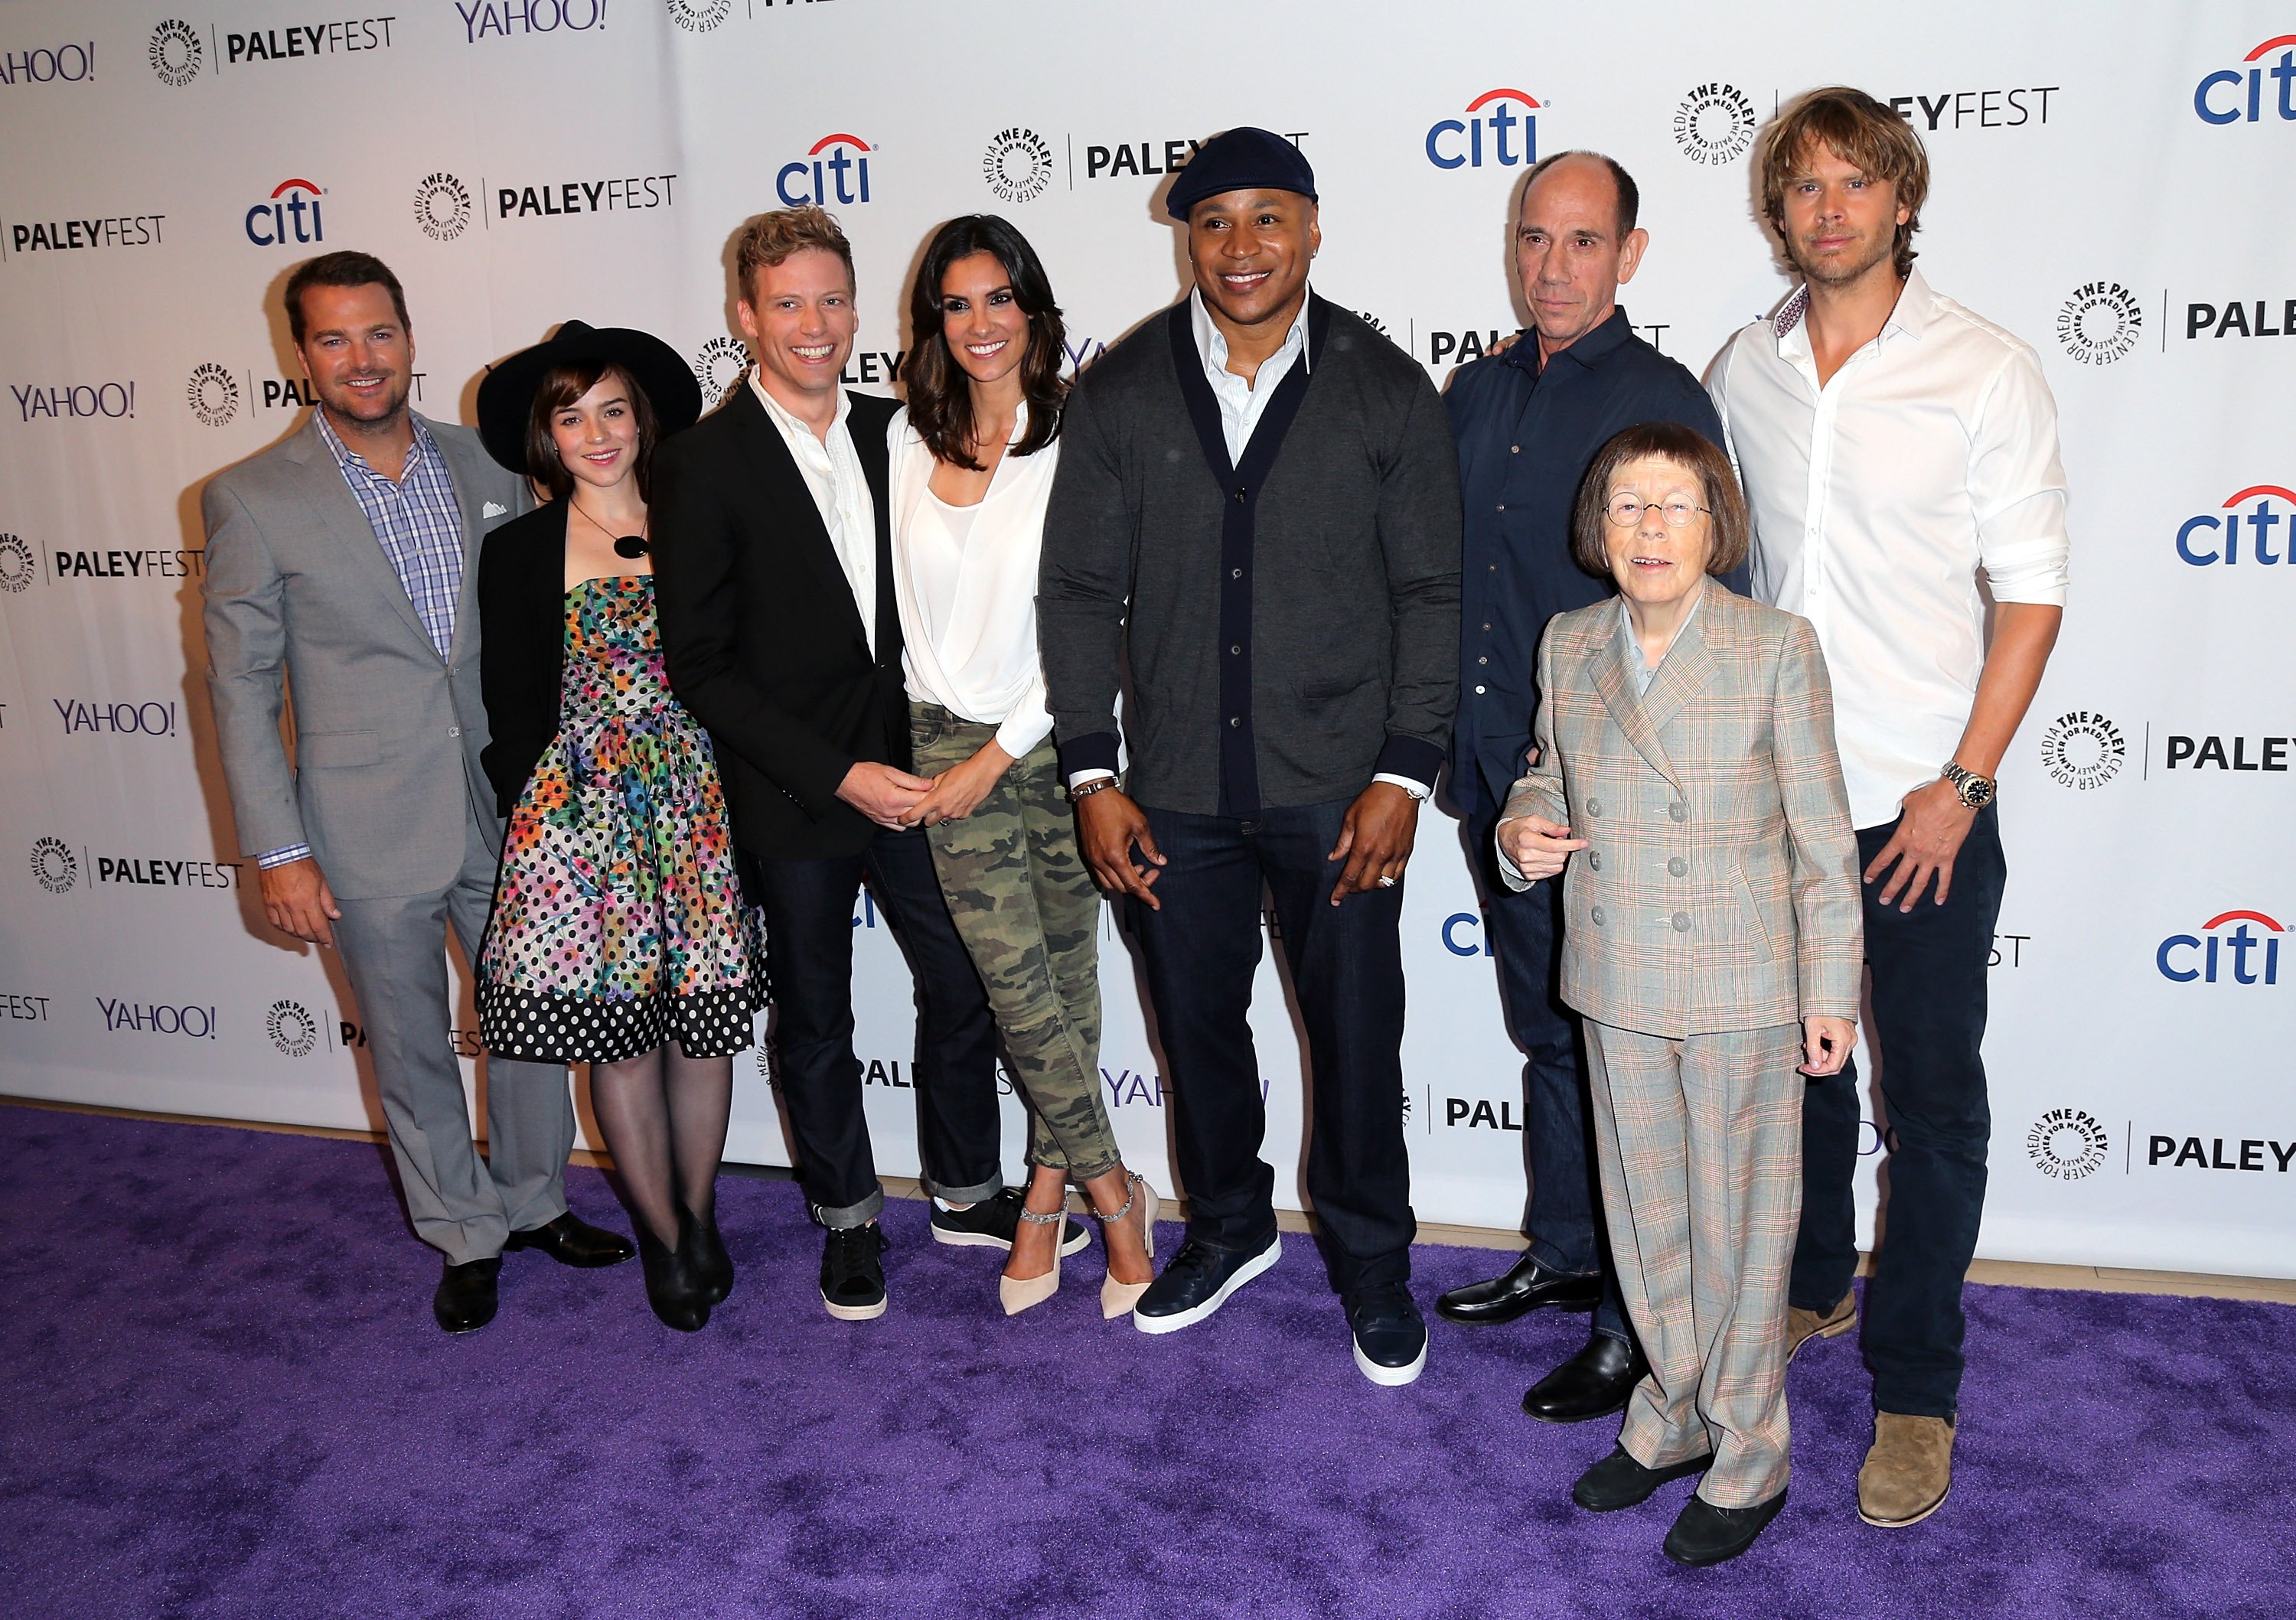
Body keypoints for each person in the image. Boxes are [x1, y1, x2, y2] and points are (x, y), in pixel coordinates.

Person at [1039, 128, 1462, 1384]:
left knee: (1356, 1033)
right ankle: (1227, 1227)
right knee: (1197, 1030)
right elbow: (1076, 593)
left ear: (1315, 228)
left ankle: (1374, 1262)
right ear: (1187, 237)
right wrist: (1087, 771)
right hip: (1170, 787)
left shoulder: (1386, 387)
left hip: (1341, 790)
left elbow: (1434, 592)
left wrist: (1404, 771)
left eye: (1268, 219)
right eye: (1214, 222)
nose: (1241, 247)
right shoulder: (1118, 390)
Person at [1710, 86, 2069, 1527]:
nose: (1832, 208)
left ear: (1903, 197)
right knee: (1798, 1080)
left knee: (1929, 1107)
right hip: (1775, 801)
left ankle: (1916, 1389)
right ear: (1779, 210)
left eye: (1858, 182)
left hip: (1927, 802)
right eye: (1805, 187)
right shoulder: (1746, 367)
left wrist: (1962, 784)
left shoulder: (1985, 367)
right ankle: (1809, 1290)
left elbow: (2031, 599)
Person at [653, 207, 1077, 1323]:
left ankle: (963, 1186)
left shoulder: (906, 426)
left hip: (923, 773)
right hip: (798, 793)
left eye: (832, 299)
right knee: (818, 1016)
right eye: (786, 302)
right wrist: (835, 774)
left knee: (966, 981)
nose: (813, 324)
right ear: (745, 315)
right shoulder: (700, 464)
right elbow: (700, 663)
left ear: (862, 309)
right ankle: (847, 1219)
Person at [201, 252, 632, 1336]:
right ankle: (463, 1230)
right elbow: (241, 689)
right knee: (407, 1039)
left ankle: (535, 1203)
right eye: (335, 339)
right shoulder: (250, 499)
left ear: (408, 335)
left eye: (379, 333)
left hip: (508, 801)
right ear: (302, 354)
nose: (362, 358)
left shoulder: (485, 463)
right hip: (361, 824)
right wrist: (277, 851)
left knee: (531, 1020)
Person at [1496, 422, 1861, 1566]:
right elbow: (1542, 766)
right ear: (1598, 530)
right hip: (1616, 972)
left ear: (1718, 525)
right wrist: (1521, 827)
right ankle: (1669, 1412)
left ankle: (1750, 1448)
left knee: (1741, 1232)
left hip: (1742, 978)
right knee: (1647, 1219)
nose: (1650, 528)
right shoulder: (1570, 640)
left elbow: (1822, 839)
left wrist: (1831, 989)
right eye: (1628, 506)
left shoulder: (1772, 646)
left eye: (1675, 505)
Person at [1437, 151, 1748, 1426]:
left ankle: (1637, 1322)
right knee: (1549, 1040)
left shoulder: (1662, 400)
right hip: (1497, 783)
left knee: (1624, 1062)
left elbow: (1697, 610)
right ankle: (1567, 1253)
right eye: (1533, 238)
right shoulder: (1471, 391)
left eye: (1580, 241)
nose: (1551, 265)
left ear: (1630, 253)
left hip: (1608, 801)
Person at [888, 217, 1158, 1317]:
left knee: (1066, 977)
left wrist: (1005, 750)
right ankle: (1117, 1192)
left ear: (1035, 310)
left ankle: (1044, 1193)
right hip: (937, 741)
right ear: (932, 323)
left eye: (999, 299)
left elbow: (1098, 613)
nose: (980, 323)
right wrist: (959, 756)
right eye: (957, 304)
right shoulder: (903, 440)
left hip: (1055, 739)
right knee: (1016, 986)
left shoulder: (1081, 435)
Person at [471, 320, 757, 1332]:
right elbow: (509, 704)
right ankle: (666, 1238)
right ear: (547, 435)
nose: (596, 433)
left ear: (644, 419)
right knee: (622, 1044)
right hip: (580, 825)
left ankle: (703, 1206)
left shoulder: (702, 520)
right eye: (570, 414)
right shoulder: (517, 551)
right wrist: (546, 805)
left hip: (695, 807)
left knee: (704, 1031)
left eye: (613, 409)